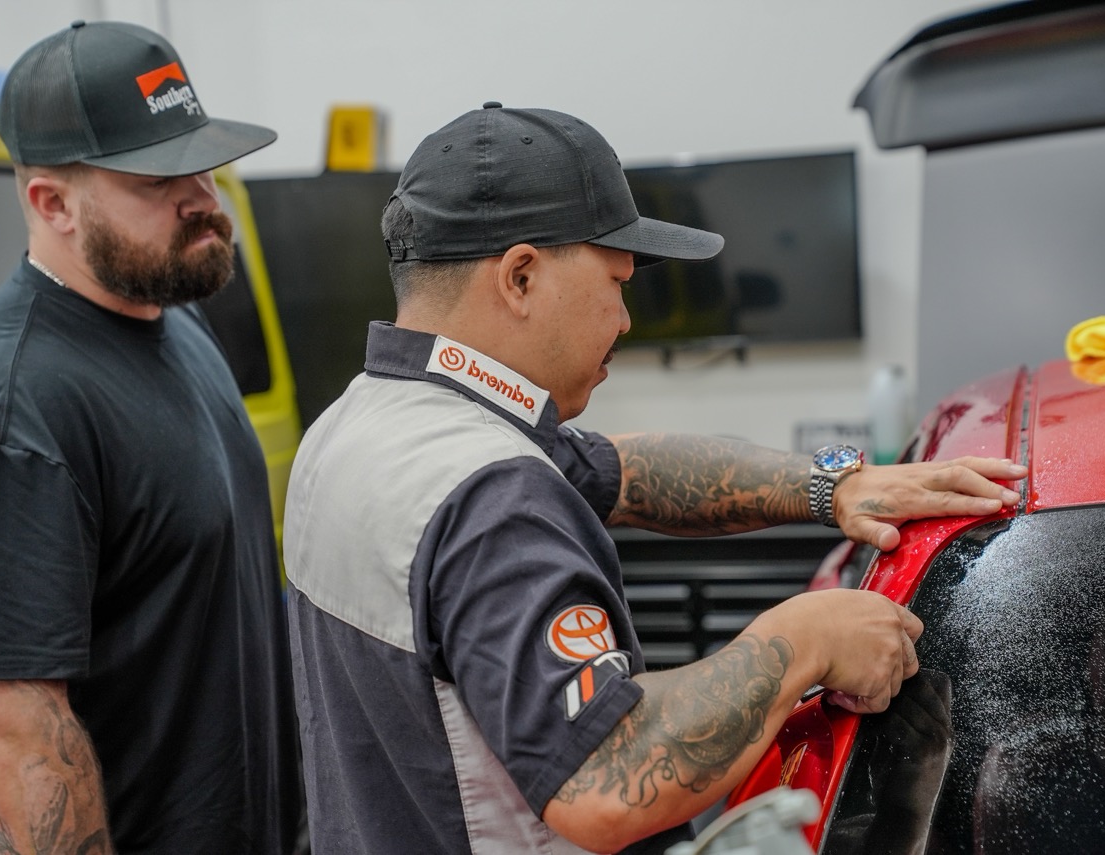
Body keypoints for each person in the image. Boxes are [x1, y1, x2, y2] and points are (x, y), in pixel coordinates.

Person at [282, 103, 1028, 854]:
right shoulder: (491, 498)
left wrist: (829, 484)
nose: (625, 318)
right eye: (615, 280)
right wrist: (803, 638)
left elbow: (626, 467)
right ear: (519, 276)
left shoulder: (361, 426)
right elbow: (605, 775)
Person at [0, 21, 300, 855]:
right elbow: (11, 737)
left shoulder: (178, 329)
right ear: (52, 204)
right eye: (160, 179)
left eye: (202, 162)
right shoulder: (10, 408)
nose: (204, 197)